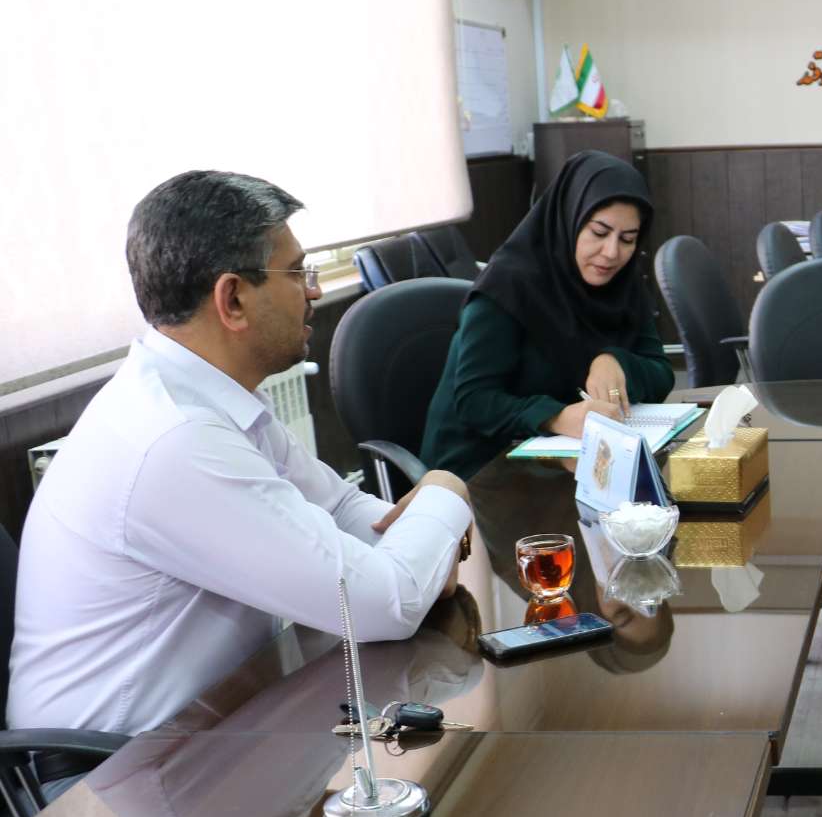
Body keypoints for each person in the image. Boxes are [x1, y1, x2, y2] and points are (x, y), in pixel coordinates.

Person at [8, 171, 474, 737]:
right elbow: (386, 605)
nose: (314, 291)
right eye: (297, 272)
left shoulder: (207, 397)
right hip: (117, 771)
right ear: (232, 299)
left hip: (214, 729)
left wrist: (423, 554)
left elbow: (346, 513)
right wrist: (445, 491)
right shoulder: (174, 440)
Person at [421, 151, 674, 478]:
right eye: (599, 233)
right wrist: (556, 417)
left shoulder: (622, 283)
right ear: (569, 218)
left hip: (564, 460)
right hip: (478, 468)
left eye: (627, 239)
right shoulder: (507, 287)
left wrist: (614, 361)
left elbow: (661, 372)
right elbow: (475, 401)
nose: (611, 253)